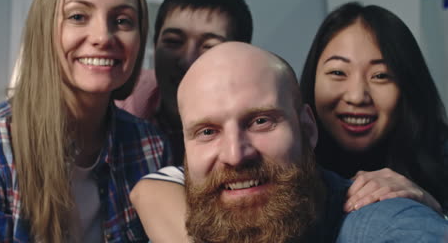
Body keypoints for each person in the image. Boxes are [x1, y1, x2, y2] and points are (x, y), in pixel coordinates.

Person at [179, 41, 448, 242]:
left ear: (307, 128)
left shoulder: (389, 226)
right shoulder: (181, 211)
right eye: (206, 132)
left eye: (260, 121)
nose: (235, 154)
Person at [0, 0, 171, 242]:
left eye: (123, 20)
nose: (103, 37)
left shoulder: (152, 146)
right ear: (43, 30)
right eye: (78, 16)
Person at [300, 2, 448, 213]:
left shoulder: (441, 154)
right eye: (338, 73)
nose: (357, 97)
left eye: (380, 76)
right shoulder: (285, 163)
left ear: (408, 86)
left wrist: (432, 208)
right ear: (313, 79)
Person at [116, 0, 253, 165]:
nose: (187, 61)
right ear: (155, 46)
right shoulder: (120, 102)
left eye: (209, 47)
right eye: (173, 41)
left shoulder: (254, 137)